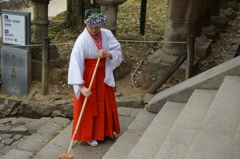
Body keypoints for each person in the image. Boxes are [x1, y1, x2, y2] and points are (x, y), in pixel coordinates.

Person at [68, 8, 122, 147]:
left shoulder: (107, 34)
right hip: (88, 74)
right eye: (91, 25)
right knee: (88, 106)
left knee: (105, 102)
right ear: (86, 24)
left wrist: (107, 54)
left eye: (97, 25)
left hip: (103, 72)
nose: (94, 29)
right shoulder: (82, 40)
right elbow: (75, 63)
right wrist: (81, 86)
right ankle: (87, 136)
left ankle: (105, 131)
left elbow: (117, 50)